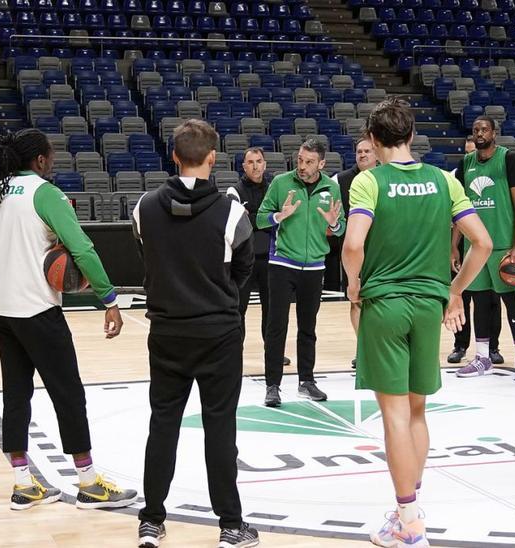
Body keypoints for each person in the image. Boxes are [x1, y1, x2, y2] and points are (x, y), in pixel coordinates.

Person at [0, 128, 137, 511]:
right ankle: (88, 484)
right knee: (67, 392)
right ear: (39, 161)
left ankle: (23, 483)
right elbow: (82, 247)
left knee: (16, 394)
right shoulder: (45, 193)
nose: (52, 162)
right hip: (37, 310)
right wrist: (109, 299)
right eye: (49, 157)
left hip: (1, 310)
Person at [342, 97, 492, 547]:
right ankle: (410, 507)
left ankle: (409, 523)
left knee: (393, 415)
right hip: (429, 305)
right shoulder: (445, 181)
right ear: (410, 136)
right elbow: (482, 243)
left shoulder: (369, 181)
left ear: (373, 139)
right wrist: (455, 290)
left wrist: (354, 285)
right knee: (418, 411)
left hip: (385, 304)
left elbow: (352, 246)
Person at [133, 119, 259, 548]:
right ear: (212, 158)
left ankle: (151, 520)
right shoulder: (234, 211)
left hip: (167, 330)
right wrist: (220, 297)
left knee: (163, 424)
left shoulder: (143, 206)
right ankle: (230, 526)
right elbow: (244, 269)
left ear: (173, 156)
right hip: (219, 333)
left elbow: (147, 257)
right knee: (220, 427)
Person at [256, 139, 346, 407]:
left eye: (309, 162)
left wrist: (334, 224)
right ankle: (272, 385)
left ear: (321, 164)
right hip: (282, 263)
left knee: (308, 327)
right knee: (276, 327)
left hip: (315, 266)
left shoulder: (332, 187)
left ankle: (306, 380)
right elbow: (260, 218)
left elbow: (341, 227)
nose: (303, 166)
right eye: (300, 160)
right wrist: (278, 217)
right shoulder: (281, 183)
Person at [452, 116, 515, 381]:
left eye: (484, 129)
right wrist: (454, 245)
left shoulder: (509, 160)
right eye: (476, 130)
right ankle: (482, 357)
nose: (479, 133)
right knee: (480, 303)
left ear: (494, 133)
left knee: (511, 301)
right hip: (474, 246)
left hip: (502, 245)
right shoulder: (466, 163)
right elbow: (459, 209)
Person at [226, 147, 289, 367]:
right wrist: (271, 217)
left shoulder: (275, 188)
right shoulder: (233, 191)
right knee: (238, 310)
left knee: (271, 311)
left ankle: (273, 353)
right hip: (242, 260)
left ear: (265, 164)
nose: (255, 166)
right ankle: (234, 353)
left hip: (271, 258)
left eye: (259, 161)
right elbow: (240, 223)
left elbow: (278, 218)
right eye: (250, 162)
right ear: (243, 166)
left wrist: (258, 217)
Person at [448, 139, 501, 364]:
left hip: (491, 243)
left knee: (490, 300)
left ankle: (492, 347)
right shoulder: (458, 173)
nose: (472, 155)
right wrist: (453, 247)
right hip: (466, 243)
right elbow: (457, 218)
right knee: (461, 294)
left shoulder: (497, 172)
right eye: (468, 151)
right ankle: (460, 345)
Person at [332, 137, 379, 346]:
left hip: (382, 250)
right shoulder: (340, 180)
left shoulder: (386, 177)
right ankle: (363, 348)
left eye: (367, 151)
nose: (362, 155)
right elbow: (336, 221)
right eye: (359, 151)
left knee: (381, 301)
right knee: (356, 300)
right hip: (355, 250)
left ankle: (380, 346)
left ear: (376, 154)